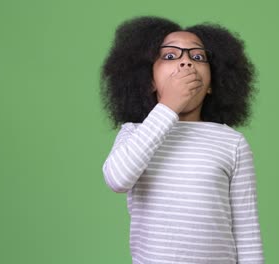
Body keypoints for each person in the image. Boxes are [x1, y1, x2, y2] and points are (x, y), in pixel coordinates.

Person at [100, 16, 264, 264]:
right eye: (170, 56)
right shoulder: (136, 133)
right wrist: (168, 107)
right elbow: (117, 179)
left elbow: (247, 231)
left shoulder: (231, 142)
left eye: (197, 57)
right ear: (150, 82)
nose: (186, 61)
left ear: (211, 84)